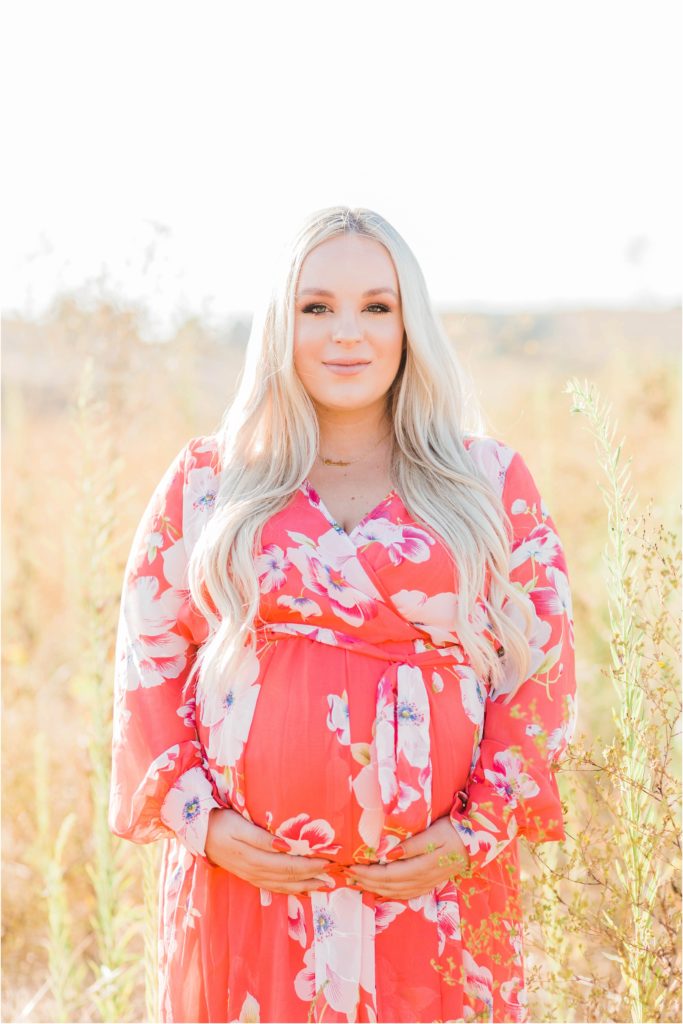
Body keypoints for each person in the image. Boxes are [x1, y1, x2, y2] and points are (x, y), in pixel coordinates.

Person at [108, 206, 577, 1024]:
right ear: (278, 325)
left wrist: (477, 832)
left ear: (410, 325)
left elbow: (538, 670)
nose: (345, 335)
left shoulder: (485, 482)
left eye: (376, 306)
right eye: (316, 307)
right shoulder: (210, 484)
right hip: (246, 893)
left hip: (432, 897)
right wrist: (203, 823)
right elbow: (146, 662)